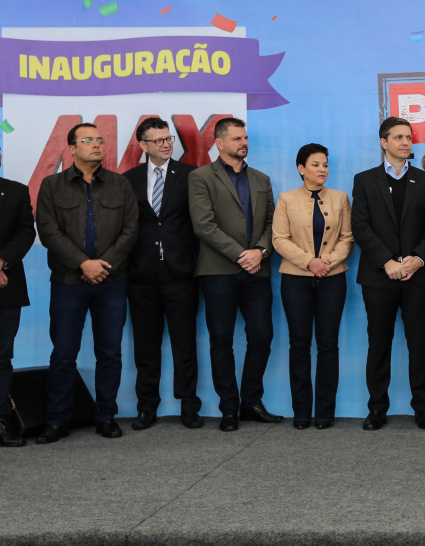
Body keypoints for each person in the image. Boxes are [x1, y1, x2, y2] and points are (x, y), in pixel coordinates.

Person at [35, 123, 139, 443]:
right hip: (68, 281)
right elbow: (49, 231)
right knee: (64, 353)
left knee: (109, 352)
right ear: (71, 147)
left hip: (111, 281)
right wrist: (83, 263)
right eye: (88, 140)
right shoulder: (52, 185)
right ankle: (57, 420)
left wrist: (102, 266)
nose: (96, 145)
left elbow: (130, 229)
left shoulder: (120, 184)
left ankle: (106, 416)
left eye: (99, 140)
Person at [188, 117, 282, 432]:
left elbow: (273, 223)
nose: (244, 143)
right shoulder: (201, 177)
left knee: (262, 336)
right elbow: (203, 225)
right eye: (238, 138)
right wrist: (241, 255)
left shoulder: (261, 178)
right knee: (221, 340)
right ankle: (228, 407)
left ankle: (251, 402)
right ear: (220, 143)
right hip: (218, 271)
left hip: (258, 269)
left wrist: (261, 252)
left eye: (245, 137)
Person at [352, 117, 425, 431]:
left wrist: (417, 259)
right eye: (399, 137)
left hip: (418, 276)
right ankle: (377, 408)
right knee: (379, 343)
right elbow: (360, 227)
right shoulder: (364, 180)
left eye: (409, 137)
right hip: (379, 277)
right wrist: (387, 262)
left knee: (420, 343)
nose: (406, 142)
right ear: (384, 142)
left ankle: (423, 408)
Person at [123, 117, 202, 431]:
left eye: (168, 138)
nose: (166, 144)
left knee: (185, 344)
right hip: (141, 275)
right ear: (143, 145)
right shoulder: (128, 179)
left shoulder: (190, 175)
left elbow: (199, 224)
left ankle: (189, 407)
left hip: (181, 273)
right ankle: (146, 408)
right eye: (158, 140)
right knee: (145, 346)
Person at [273, 144, 352, 430]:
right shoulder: (286, 199)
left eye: (326, 165)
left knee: (328, 345)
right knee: (299, 344)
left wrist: (326, 261)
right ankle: (302, 412)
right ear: (301, 168)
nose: (322, 170)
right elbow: (279, 239)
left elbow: (348, 238)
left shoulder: (341, 198)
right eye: (316, 165)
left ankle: (325, 413)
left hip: (333, 277)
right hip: (295, 278)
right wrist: (309, 262)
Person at [0, 146, 35, 447]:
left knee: (1, 357)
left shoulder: (16, 192)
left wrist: (1, 262)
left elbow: (26, 233)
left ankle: (1, 421)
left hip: (5, 286)